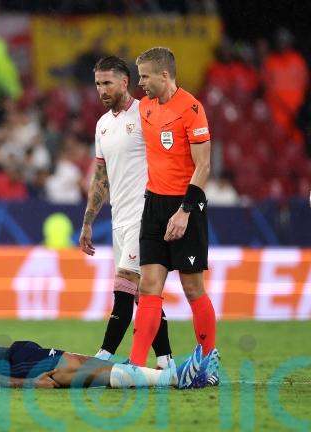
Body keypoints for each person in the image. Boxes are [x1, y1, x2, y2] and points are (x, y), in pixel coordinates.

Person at [128, 47, 219, 386]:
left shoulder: (191, 109)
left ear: (164, 75)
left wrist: (184, 211)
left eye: (145, 77)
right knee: (148, 286)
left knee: (193, 287)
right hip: (153, 205)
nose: (141, 83)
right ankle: (135, 367)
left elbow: (204, 166)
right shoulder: (146, 107)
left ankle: (208, 363)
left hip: (186, 206)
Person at [79, 56, 173, 369]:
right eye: (97, 84)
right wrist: (88, 222)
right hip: (119, 219)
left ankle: (103, 357)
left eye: (107, 83)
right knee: (143, 294)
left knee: (125, 282)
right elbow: (100, 178)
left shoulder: (146, 113)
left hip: (146, 215)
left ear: (124, 82)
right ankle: (166, 361)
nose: (101, 90)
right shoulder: (102, 125)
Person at [0, 339, 212, 389]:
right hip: (14, 365)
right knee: (84, 369)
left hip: (16, 354)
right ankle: (175, 378)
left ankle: (174, 375)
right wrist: (29, 384)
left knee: (87, 364)